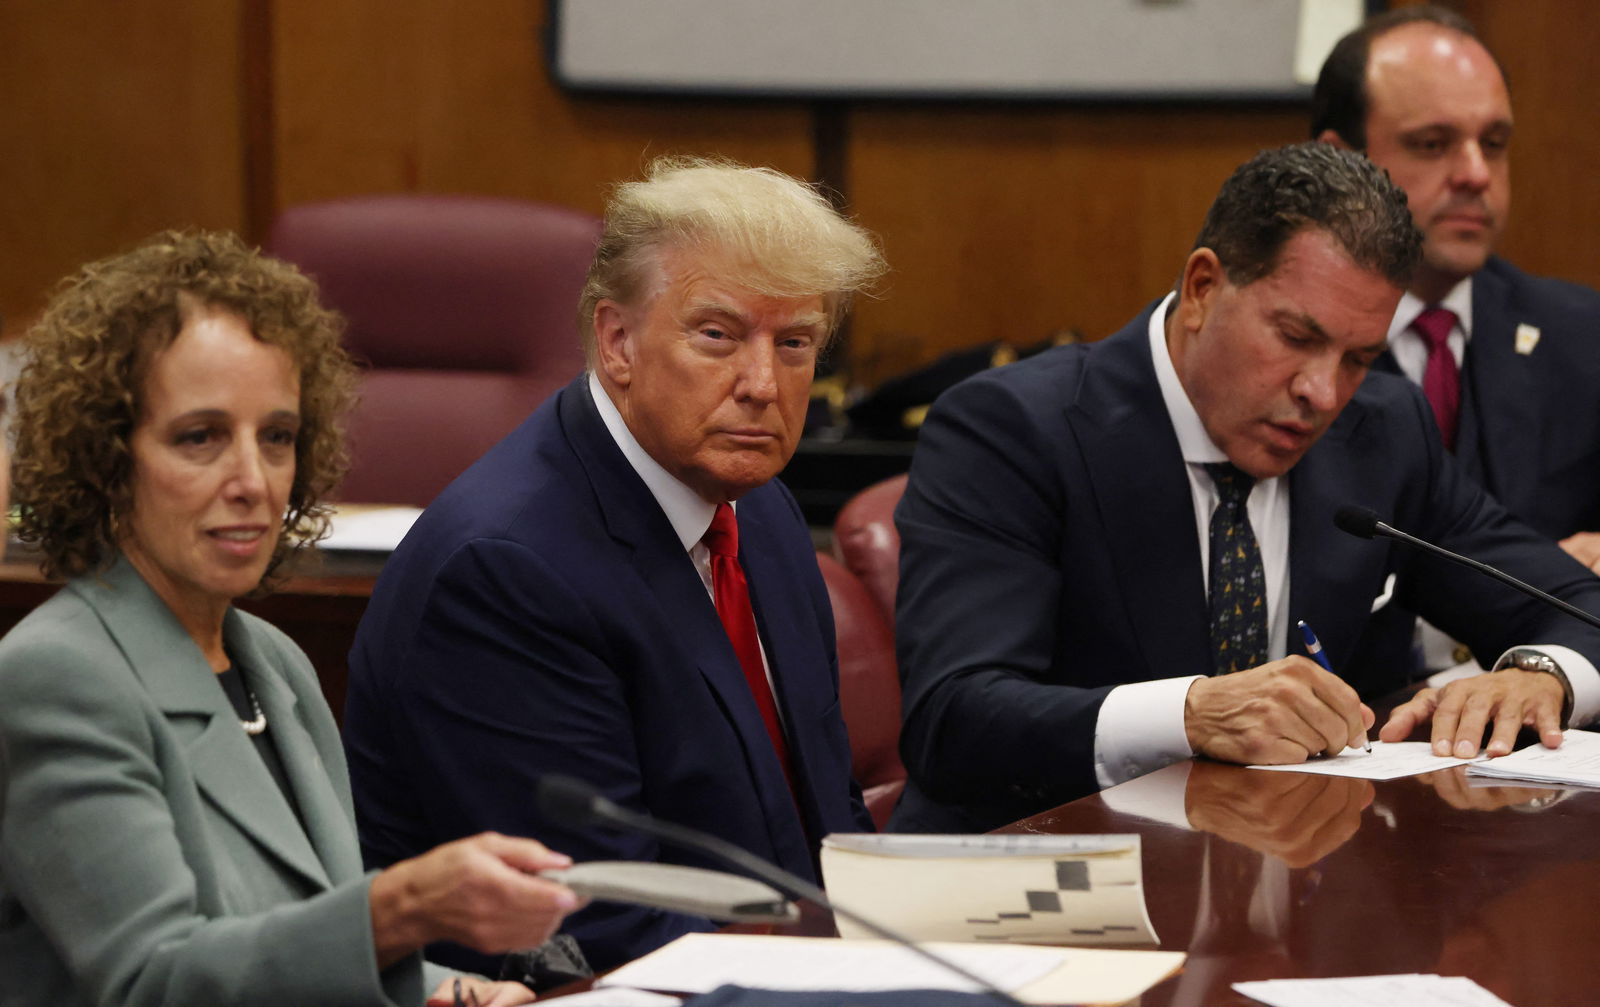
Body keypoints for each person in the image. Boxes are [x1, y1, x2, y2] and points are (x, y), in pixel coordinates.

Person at [891, 143, 1600, 833]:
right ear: (1203, 288)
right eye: (1295, 337)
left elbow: (1576, 603)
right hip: (1047, 874)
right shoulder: (1014, 429)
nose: (1324, 393)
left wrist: (1541, 676)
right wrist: (1189, 715)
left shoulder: (1383, 431)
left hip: (1296, 872)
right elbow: (953, 718)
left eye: (1358, 358)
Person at [0, 231, 578, 1007]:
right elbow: (154, 980)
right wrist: (400, 909)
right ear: (107, 461)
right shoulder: (57, 677)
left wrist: (453, 988)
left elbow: (303, 948)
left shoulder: (276, 663)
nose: (254, 480)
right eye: (200, 437)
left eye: (276, 437)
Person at [345, 157, 885, 974]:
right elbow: (595, 926)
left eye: (795, 343)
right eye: (718, 335)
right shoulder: (505, 573)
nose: (762, 384)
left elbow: (826, 825)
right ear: (617, 341)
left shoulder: (761, 512)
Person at [1312, 6, 1600, 572]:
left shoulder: (1584, 338)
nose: (1476, 174)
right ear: (1340, 163)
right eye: (1431, 144)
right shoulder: (1286, 350)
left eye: (1493, 143)